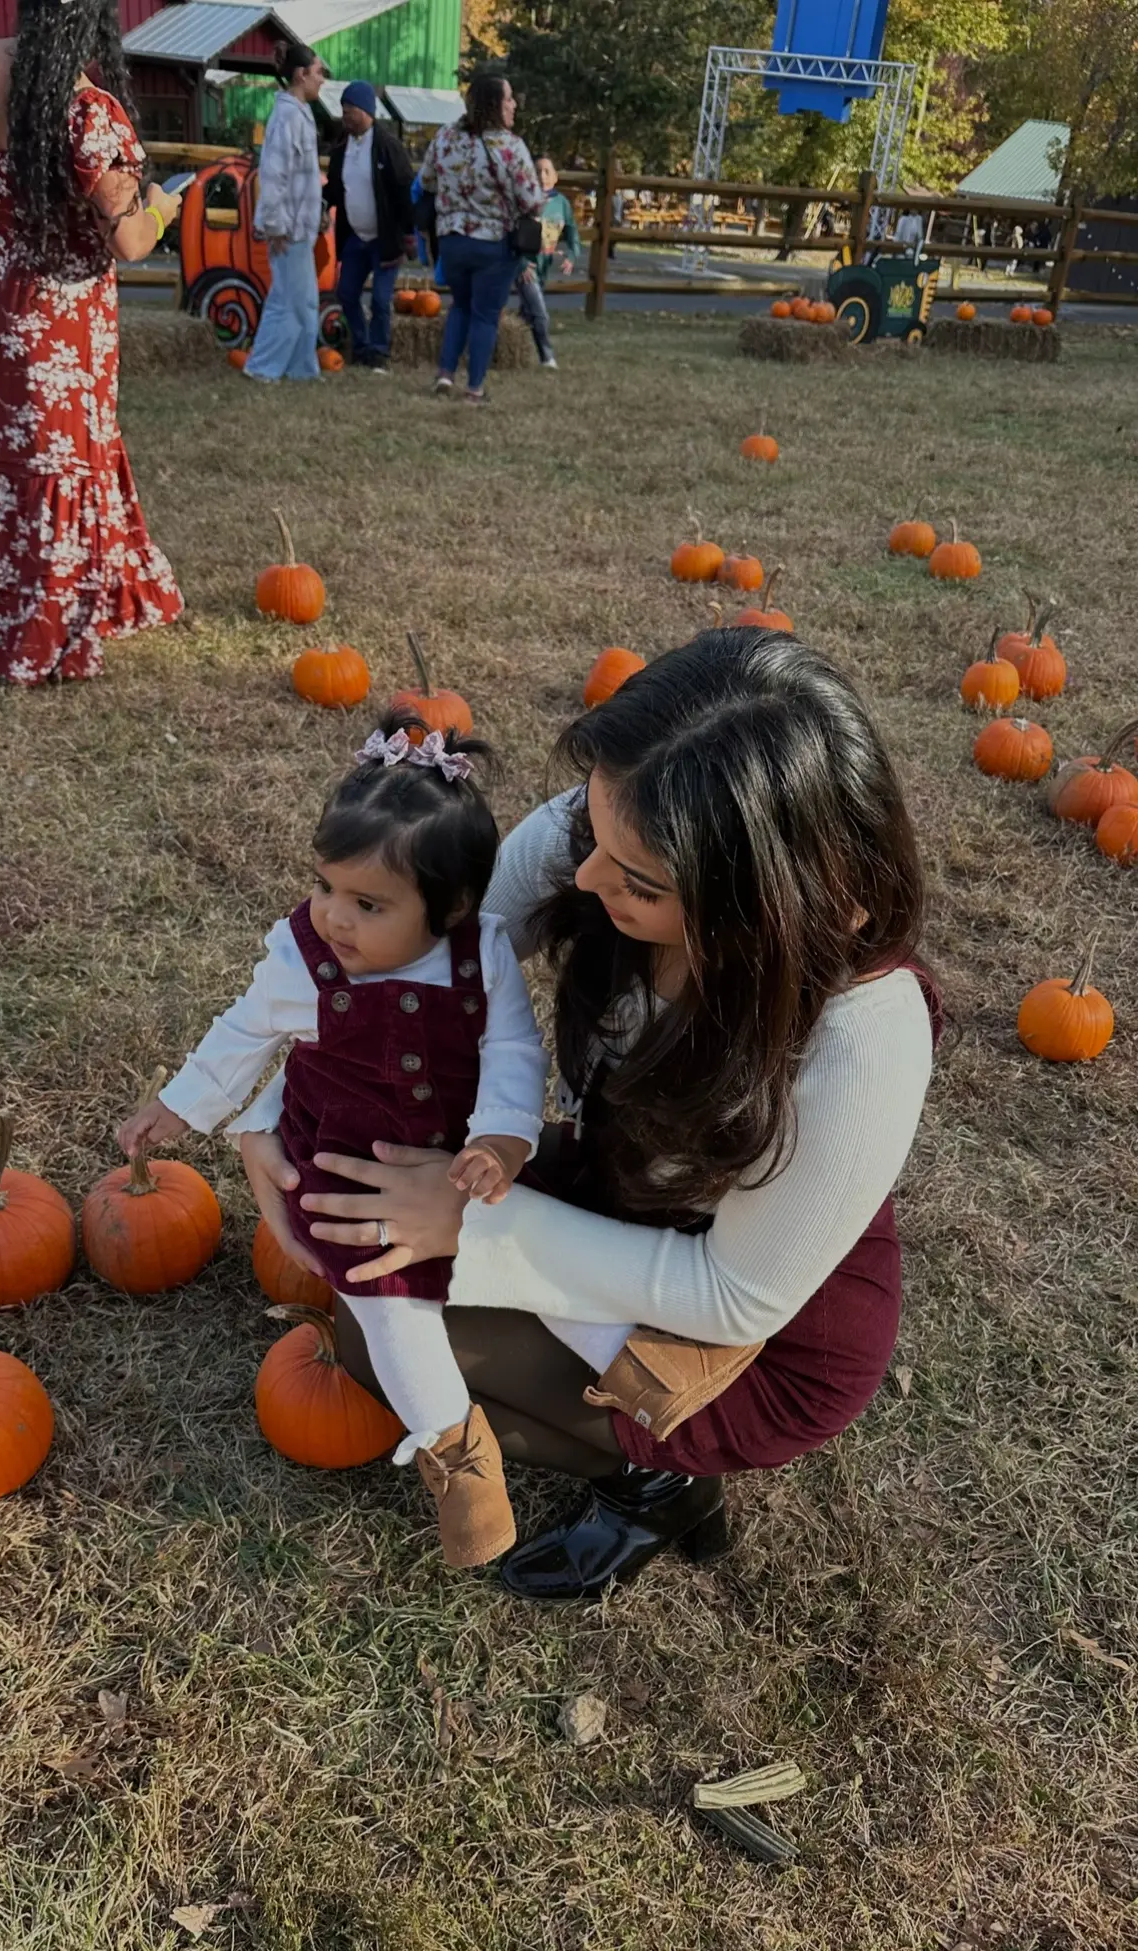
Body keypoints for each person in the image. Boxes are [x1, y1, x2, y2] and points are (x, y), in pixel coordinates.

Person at [240, 630, 939, 1601]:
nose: (584, 879)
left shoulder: (866, 1033)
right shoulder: (625, 817)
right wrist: (273, 1113)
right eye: (594, 833)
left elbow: (737, 1296)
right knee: (373, 1289)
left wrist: (473, 1221)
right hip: (627, 1188)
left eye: (638, 883)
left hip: (759, 1326)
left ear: (766, 909)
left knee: (371, 1340)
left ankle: (658, 1480)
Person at [116, 715, 637, 1573]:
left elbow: (512, 1051)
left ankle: (645, 1368)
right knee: (391, 1307)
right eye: (325, 885)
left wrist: (504, 1139)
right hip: (349, 1167)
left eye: (368, 904)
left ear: (453, 908)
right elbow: (243, 1034)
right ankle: (458, 1455)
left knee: (538, 1260)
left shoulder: (483, 955)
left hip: (455, 1155)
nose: (335, 917)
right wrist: (180, 1108)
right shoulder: (303, 956)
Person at [0, 0, 183, 685]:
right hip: (65, 315)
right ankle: (35, 629)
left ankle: (95, 592)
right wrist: (163, 206)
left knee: (26, 459)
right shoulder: (87, 111)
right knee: (66, 458)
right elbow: (131, 241)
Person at [419, 70, 544, 405]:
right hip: (494, 243)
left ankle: (445, 374)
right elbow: (531, 200)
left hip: (451, 240)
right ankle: (474, 388)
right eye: (508, 98)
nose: (514, 105)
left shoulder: (445, 138)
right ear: (494, 104)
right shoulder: (510, 147)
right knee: (486, 314)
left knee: (460, 306)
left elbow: (427, 181)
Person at [245, 41, 326, 384]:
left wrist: (317, 211)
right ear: (301, 74)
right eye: (319, 72)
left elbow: (303, 176)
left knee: (305, 300)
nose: (323, 79)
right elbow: (274, 174)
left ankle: (301, 369)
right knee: (287, 301)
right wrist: (275, 225)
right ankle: (261, 367)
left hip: (300, 226)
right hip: (287, 228)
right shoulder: (287, 116)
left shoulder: (301, 114)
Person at [323, 80, 415, 373]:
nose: (345, 116)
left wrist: (409, 233)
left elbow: (404, 191)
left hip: (385, 237)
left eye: (350, 110)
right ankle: (360, 346)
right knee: (347, 292)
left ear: (366, 111)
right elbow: (336, 189)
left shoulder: (389, 147)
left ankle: (379, 353)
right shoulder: (341, 149)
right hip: (355, 236)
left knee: (379, 298)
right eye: (343, 110)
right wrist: (321, 204)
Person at [514, 154, 581, 370]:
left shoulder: (562, 204)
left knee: (526, 315)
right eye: (538, 171)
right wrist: (521, 262)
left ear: (556, 177)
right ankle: (547, 358)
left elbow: (572, 232)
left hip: (544, 266)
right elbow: (511, 233)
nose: (542, 176)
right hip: (525, 267)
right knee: (540, 313)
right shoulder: (525, 202)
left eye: (547, 171)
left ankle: (504, 349)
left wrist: (571, 256)